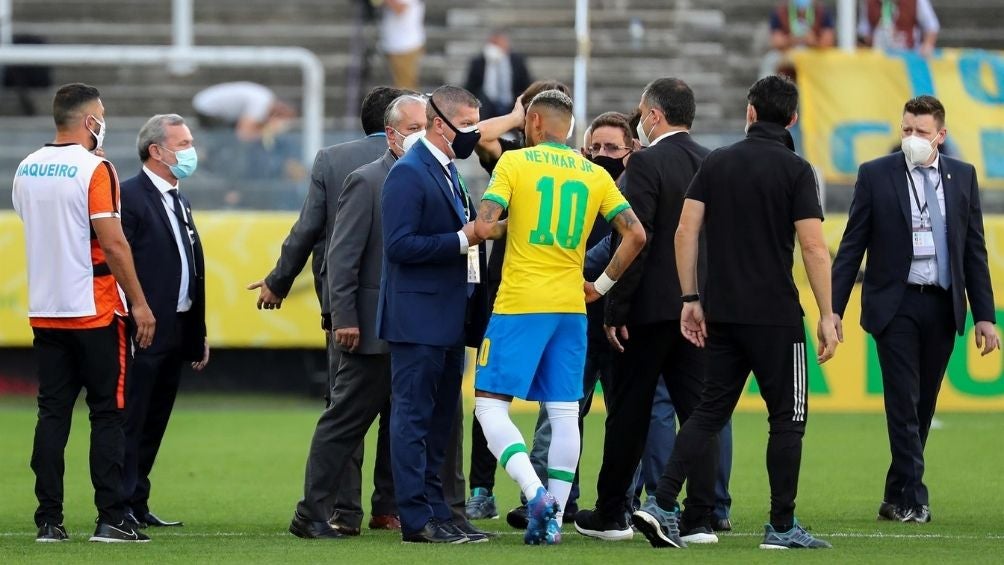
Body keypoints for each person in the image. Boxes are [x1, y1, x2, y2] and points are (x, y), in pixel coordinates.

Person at [631, 75, 839, 550]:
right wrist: (827, 312)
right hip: (776, 317)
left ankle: (661, 503)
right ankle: (782, 527)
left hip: (722, 312)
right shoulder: (797, 170)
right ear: (793, 119)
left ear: (749, 112)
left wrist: (690, 299)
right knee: (787, 418)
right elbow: (813, 246)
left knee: (707, 413)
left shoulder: (717, 162)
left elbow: (685, 232)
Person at [473, 89, 647, 545]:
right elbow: (635, 234)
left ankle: (536, 496)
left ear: (532, 123)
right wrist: (601, 286)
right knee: (565, 410)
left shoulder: (515, 164)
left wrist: (512, 224)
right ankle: (552, 522)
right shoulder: (593, 174)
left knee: (489, 405)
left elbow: (486, 224)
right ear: (570, 128)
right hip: (572, 307)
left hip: (520, 303)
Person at [831, 95, 999, 524]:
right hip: (896, 302)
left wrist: (985, 315)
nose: (912, 138)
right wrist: (833, 309)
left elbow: (973, 249)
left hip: (943, 302)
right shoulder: (875, 174)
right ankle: (916, 499)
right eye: (906, 129)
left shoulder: (962, 175)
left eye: (921, 132)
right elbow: (851, 247)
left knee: (923, 405)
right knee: (903, 402)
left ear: (940, 136)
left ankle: (895, 494)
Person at [248, 86, 405, 536]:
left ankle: (344, 510)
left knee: (346, 408)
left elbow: (308, 229)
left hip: (346, 308)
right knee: (400, 409)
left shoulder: (332, 159)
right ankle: (389, 508)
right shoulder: (425, 159)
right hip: (409, 308)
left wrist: (278, 282)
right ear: (395, 122)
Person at [574, 78, 719, 544]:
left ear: (654, 116)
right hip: (696, 309)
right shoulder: (712, 161)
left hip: (648, 313)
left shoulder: (647, 163)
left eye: (641, 112)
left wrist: (614, 306)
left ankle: (613, 513)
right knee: (698, 413)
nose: (639, 119)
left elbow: (636, 239)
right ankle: (701, 517)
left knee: (629, 413)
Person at [12, 83, 156, 543]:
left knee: (52, 414)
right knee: (107, 414)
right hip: (94, 307)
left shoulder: (27, 167)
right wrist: (139, 301)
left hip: (46, 309)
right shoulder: (96, 169)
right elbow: (112, 242)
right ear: (89, 119)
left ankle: (49, 521)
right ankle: (111, 517)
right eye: (102, 115)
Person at [288, 94, 426, 539]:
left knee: (408, 421)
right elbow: (340, 255)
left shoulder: (435, 176)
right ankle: (315, 512)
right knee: (345, 420)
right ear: (391, 131)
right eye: (417, 125)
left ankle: (395, 508)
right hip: (369, 327)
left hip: (413, 327)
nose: (426, 132)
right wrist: (343, 315)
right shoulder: (366, 179)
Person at [378, 85, 487, 544]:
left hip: (447, 316)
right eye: (467, 124)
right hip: (418, 318)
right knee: (413, 419)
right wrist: (465, 238)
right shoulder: (409, 172)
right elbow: (399, 245)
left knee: (441, 420)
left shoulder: (446, 170)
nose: (473, 133)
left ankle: (439, 509)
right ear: (440, 123)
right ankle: (416, 519)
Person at [463, 80, 572, 522]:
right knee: (534, 401)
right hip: (525, 290)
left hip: (523, 292)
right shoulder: (514, 157)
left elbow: (471, 138)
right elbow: (476, 137)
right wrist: (516, 117)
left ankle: (538, 490)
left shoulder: (547, 162)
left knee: (497, 398)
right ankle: (484, 488)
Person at [119, 114, 209, 530]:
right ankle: (118, 504)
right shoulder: (128, 197)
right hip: (144, 326)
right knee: (132, 417)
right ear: (157, 151)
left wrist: (198, 331)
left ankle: (138, 500)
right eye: (184, 143)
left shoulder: (180, 198)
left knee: (157, 417)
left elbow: (190, 267)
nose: (191, 151)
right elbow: (118, 264)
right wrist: (136, 310)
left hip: (177, 326)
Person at [464, 29, 533, 120]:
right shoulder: (479, 62)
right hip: (486, 107)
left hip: (511, 105)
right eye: (493, 44)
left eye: (498, 44)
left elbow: (526, 84)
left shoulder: (517, 61)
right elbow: (470, 87)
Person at [761, 1, 836, 78]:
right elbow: (776, 42)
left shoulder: (822, 13)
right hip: (788, 52)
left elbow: (828, 41)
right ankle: (765, 88)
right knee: (770, 60)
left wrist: (813, 41)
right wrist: (791, 39)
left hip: (814, 53)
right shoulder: (780, 13)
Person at [858, 0, 939, 57]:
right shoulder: (869, 2)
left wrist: (927, 45)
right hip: (879, 59)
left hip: (908, 58)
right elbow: (864, 32)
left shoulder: (916, 1)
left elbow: (931, 26)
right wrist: (879, 34)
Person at [380, 0, 425, 90]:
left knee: (406, 89)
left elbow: (400, 9)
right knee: (399, 87)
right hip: (396, 45)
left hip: (405, 47)